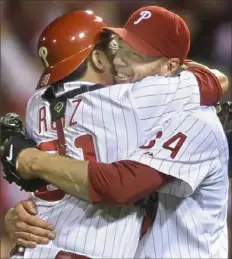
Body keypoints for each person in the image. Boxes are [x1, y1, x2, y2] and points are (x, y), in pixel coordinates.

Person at [2, 6, 229, 259]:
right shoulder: (125, 101)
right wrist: (21, 213)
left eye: (136, 55)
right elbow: (212, 80)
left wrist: (32, 161)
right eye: (119, 49)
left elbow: (121, 185)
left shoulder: (35, 105)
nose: (121, 62)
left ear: (170, 66)